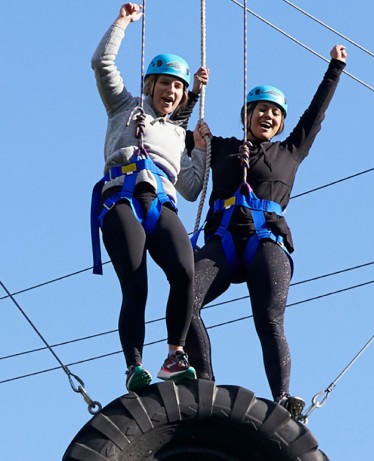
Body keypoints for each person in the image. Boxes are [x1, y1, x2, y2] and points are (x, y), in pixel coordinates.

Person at [185, 45, 347, 419]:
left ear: (280, 122)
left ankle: (283, 397)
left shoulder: (290, 151)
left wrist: (334, 69)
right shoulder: (221, 148)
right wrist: (193, 100)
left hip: (266, 241)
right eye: (261, 110)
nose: (268, 116)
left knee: (270, 319)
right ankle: (204, 383)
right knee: (184, 302)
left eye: (275, 113)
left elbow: (315, 114)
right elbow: (174, 132)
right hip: (223, 240)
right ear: (247, 115)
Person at [90, 3, 209, 392]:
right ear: (149, 85)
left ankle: (175, 354)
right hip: (121, 197)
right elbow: (101, 64)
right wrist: (122, 22)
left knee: (185, 272)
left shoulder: (178, 135)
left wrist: (201, 150)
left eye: (178, 87)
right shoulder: (125, 107)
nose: (171, 92)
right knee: (136, 283)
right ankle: (134, 365)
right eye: (165, 84)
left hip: (162, 202)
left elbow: (191, 189)